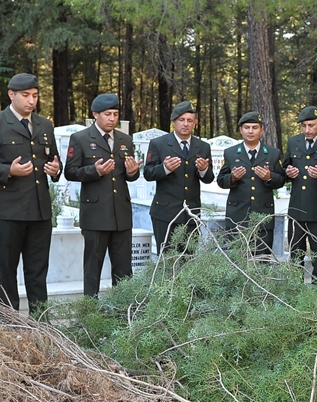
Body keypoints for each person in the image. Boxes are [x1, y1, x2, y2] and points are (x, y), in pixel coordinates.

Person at [0, 73, 62, 315]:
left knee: (38, 270)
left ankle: (41, 320)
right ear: (11, 95)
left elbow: (52, 159)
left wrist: (55, 169)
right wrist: (8, 170)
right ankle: (11, 324)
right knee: (7, 270)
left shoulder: (44, 125)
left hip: (39, 209)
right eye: (25, 96)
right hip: (7, 211)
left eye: (34, 96)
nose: (31, 101)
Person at [64, 93, 139, 296]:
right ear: (95, 114)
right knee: (92, 268)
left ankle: (123, 313)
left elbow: (129, 175)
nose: (112, 119)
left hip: (121, 215)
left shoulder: (125, 140)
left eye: (115, 114)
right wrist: (95, 171)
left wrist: (133, 172)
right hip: (96, 215)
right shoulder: (80, 139)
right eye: (107, 114)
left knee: (123, 269)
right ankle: (90, 312)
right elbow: (70, 171)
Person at [143, 101, 215, 252]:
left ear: (195, 123)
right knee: (167, 259)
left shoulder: (203, 147)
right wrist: (165, 168)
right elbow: (148, 173)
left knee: (188, 258)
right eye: (181, 120)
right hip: (165, 213)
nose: (185, 124)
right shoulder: (159, 143)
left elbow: (208, 178)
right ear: (173, 122)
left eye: (190, 120)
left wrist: (203, 170)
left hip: (191, 213)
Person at [218, 111, 284, 255]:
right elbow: (221, 180)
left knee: (261, 261)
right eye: (247, 127)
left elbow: (281, 180)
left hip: (262, 217)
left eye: (255, 127)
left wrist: (269, 177)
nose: (250, 131)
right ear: (240, 130)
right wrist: (232, 178)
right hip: (237, 217)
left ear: (262, 130)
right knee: (237, 260)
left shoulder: (272, 153)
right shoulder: (231, 153)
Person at [284, 106, 317, 279]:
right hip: (297, 208)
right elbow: (284, 168)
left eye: (311, 125)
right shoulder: (293, 142)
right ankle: (296, 292)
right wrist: (288, 173)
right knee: (296, 253)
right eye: (304, 126)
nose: (307, 130)